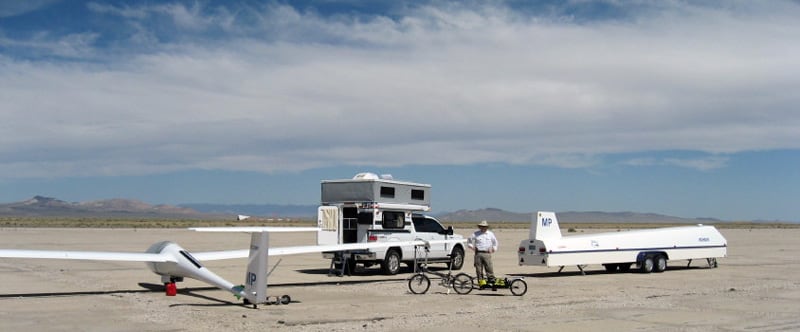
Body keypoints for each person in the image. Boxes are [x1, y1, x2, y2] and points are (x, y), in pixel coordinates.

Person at [468, 220, 499, 288]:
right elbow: (469, 240)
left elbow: (495, 242)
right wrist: (472, 247)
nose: (483, 228)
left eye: (485, 227)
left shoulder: (490, 234)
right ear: (480, 227)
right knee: (479, 270)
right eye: (482, 226)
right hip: (478, 254)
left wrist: (493, 249)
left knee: (489, 269)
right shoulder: (475, 234)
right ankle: (482, 284)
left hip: (487, 254)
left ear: (487, 227)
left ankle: (492, 284)